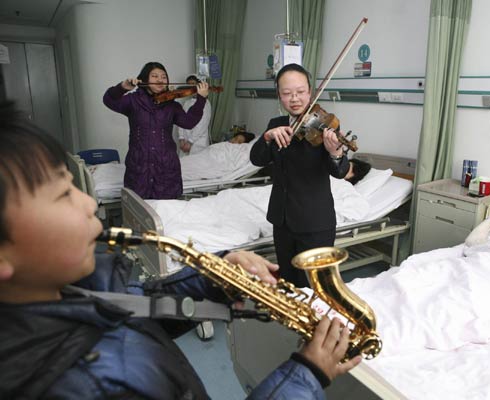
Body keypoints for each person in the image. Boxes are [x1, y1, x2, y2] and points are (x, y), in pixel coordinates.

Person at [0, 102, 361, 399]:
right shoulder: (79, 387)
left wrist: (214, 277)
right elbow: (257, 156)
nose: (87, 204)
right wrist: (308, 374)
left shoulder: (75, 285)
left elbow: (134, 304)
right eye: (63, 194)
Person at [250, 63, 350, 287]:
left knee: (316, 288)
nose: (294, 98)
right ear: (279, 96)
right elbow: (256, 159)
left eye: (300, 92)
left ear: (311, 92)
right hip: (282, 219)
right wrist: (267, 137)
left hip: (315, 223)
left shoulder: (324, 126)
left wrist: (335, 152)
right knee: (288, 283)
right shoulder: (276, 125)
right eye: (287, 93)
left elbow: (340, 171)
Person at [103, 62, 209, 199]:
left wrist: (201, 99)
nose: (160, 80)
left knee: (167, 213)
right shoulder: (133, 101)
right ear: (145, 79)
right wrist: (122, 88)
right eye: (154, 76)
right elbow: (109, 100)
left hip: (166, 167)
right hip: (139, 166)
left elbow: (189, 122)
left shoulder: (172, 105)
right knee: (139, 211)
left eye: (164, 77)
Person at [177, 74, 213, 156]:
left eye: (193, 84)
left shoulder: (206, 103)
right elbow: (180, 121)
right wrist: (181, 138)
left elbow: (202, 125)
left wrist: (190, 141)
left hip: (198, 143)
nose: (192, 87)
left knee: (196, 165)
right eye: (189, 85)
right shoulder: (187, 103)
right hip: (185, 142)